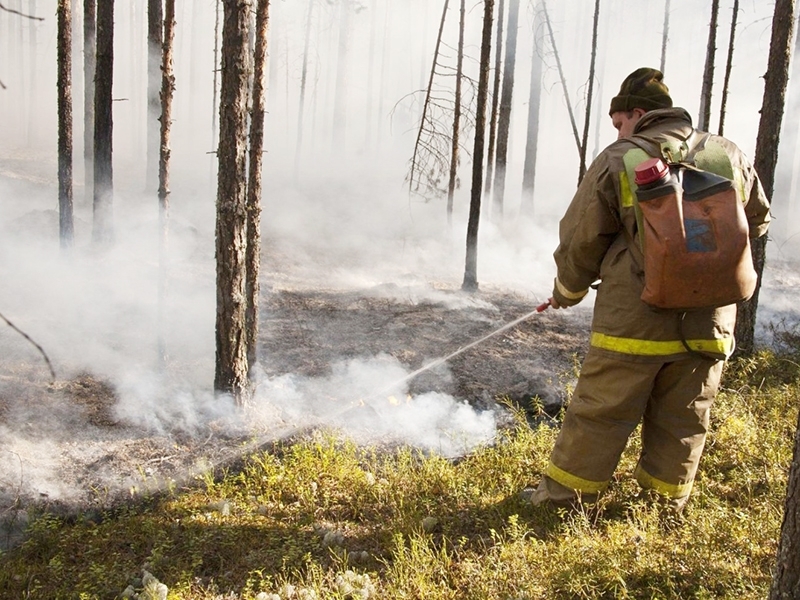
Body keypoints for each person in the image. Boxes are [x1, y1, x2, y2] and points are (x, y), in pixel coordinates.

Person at [525, 67, 771, 513]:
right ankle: (661, 507)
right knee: (684, 417)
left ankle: (563, 502)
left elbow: (583, 236)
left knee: (601, 411)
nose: (618, 130)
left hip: (634, 318)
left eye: (619, 121)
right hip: (709, 319)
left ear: (638, 113)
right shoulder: (727, 154)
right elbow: (757, 220)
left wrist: (567, 289)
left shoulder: (621, 157)